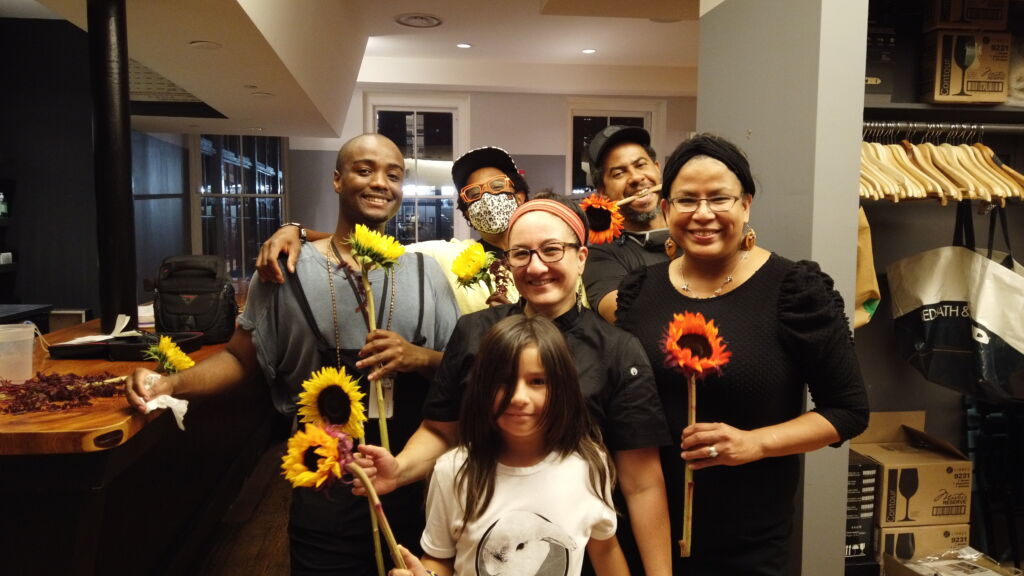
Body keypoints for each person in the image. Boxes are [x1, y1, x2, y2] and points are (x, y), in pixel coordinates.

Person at [124, 133, 461, 575]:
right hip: (320, 486)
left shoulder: (424, 273)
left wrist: (418, 357)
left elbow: (462, 374)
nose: (380, 182)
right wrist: (170, 383)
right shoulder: (285, 269)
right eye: (364, 170)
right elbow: (241, 360)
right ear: (337, 180)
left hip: (410, 479)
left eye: (393, 175)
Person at [362, 197, 674, 576]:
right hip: (485, 528)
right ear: (507, 262)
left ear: (581, 257)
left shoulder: (617, 350)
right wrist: (401, 468)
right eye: (522, 253)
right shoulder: (476, 333)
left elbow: (642, 484)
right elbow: (441, 430)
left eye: (552, 250)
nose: (536, 266)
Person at [614, 133, 870, 575]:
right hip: (643, 529)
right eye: (687, 200)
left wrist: (755, 443)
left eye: (719, 198)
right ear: (666, 209)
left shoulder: (794, 290)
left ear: (746, 205)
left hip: (748, 541)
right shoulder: (640, 293)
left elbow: (848, 411)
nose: (703, 214)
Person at [388, 314, 628, 576]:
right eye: (503, 381)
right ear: (482, 387)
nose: (518, 397)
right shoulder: (453, 470)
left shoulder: (589, 465)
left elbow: (605, 549)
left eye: (537, 381)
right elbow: (440, 558)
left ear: (563, 387)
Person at [256, 146, 529, 313]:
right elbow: (367, 245)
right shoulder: (451, 257)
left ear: (519, 196)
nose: (486, 198)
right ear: (466, 211)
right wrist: (296, 231)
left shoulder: (551, 254)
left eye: (496, 187)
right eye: (473, 193)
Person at [582, 125, 671, 323]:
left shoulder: (694, 231)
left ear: (657, 168)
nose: (636, 178)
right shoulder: (601, 257)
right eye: (619, 173)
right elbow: (630, 319)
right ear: (602, 191)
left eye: (640, 165)